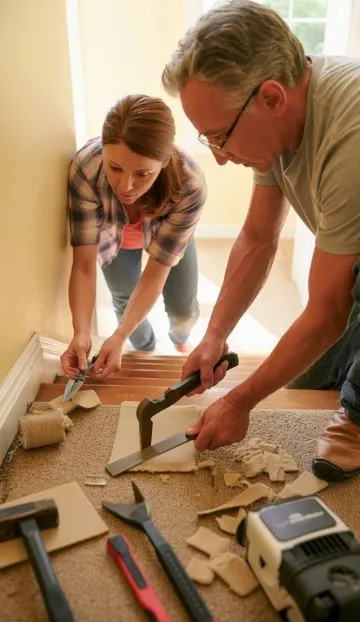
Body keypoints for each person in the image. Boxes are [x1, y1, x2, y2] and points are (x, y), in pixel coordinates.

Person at [162, 0, 360, 481]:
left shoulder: (350, 136)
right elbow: (256, 237)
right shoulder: (280, 120)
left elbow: (329, 310)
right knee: (305, 377)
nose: (222, 158)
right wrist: (214, 335)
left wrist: (239, 401)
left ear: (271, 98)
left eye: (220, 137)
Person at [61, 94, 208, 383]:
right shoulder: (85, 169)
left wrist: (119, 334)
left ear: (164, 162)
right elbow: (83, 266)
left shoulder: (191, 185)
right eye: (115, 168)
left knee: (182, 309)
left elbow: (156, 273)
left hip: (168, 239)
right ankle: (146, 350)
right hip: (113, 240)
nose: (125, 186)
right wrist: (83, 333)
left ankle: (179, 337)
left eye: (142, 174)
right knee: (123, 299)